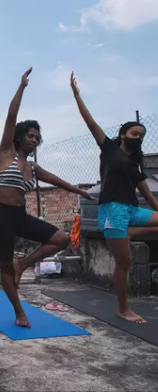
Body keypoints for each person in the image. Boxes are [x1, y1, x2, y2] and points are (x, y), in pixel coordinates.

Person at [0, 69, 94, 328]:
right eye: (30, 136)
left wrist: (79, 191)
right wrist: (21, 87)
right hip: (0, 216)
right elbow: (11, 116)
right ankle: (19, 312)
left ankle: (25, 263)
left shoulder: (33, 167)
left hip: (19, 217)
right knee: (6, 267)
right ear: (21, 136)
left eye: (37, 138)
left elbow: (56, 180)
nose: (34, 140)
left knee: (62, 239)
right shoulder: (6, 153)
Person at [71, 71, 158, 323]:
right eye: (134, 134)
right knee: (125, 261)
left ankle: (129, 233)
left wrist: (155, 206)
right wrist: (77, 95)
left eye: (141, 136)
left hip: (131, 210)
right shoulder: (109, 149)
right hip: (112, 211)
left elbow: (146, 194)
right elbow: (90, 123)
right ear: (123, 135)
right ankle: (123, 308)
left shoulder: (136, 163)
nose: (138, 139)